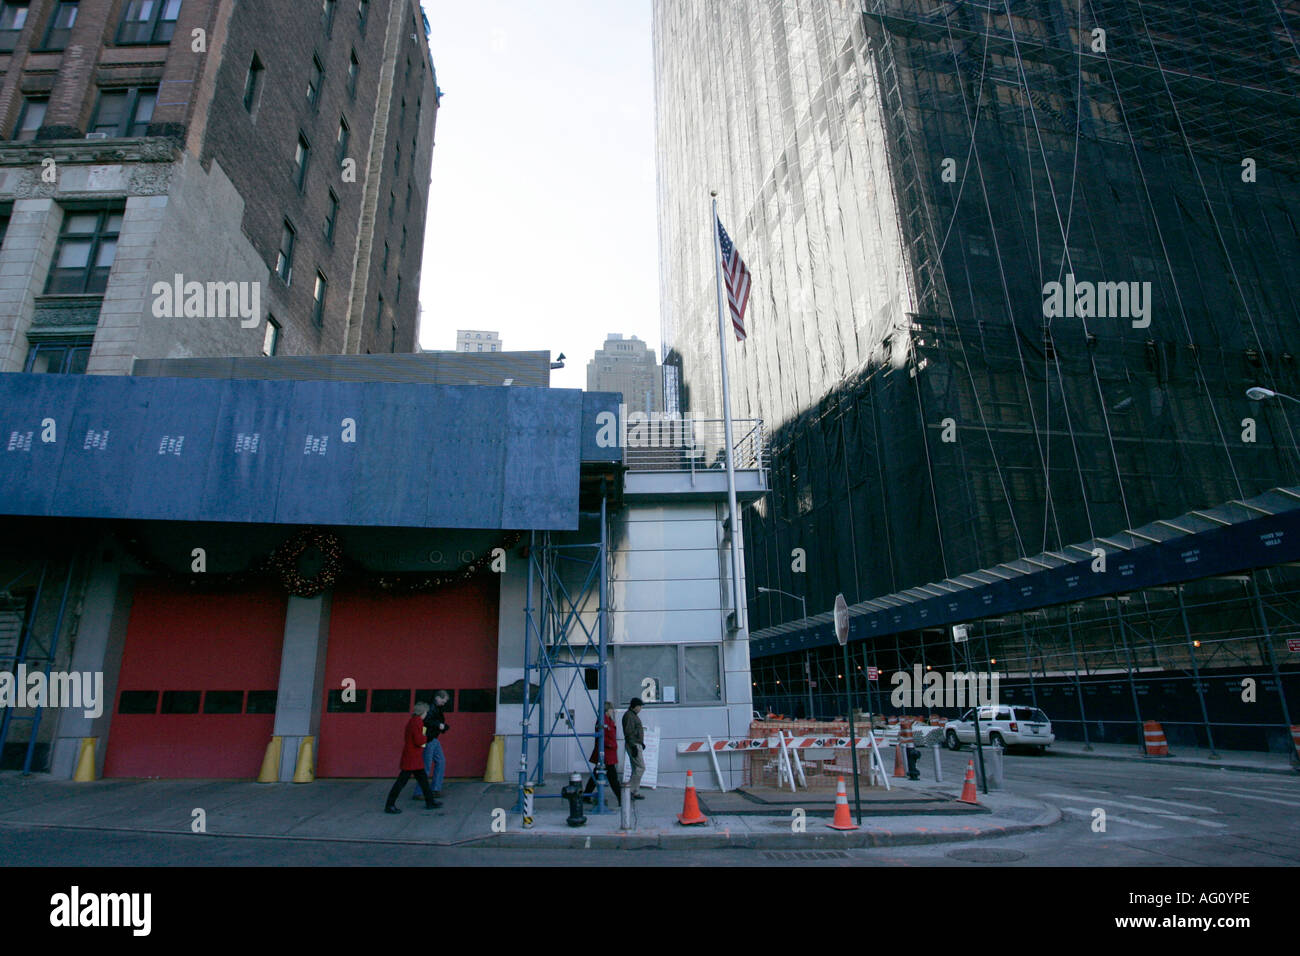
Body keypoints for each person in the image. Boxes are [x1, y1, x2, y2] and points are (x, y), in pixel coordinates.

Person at [385, 702, 441, 813]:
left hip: (413, 757)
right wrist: (426, 737)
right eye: (426, 712)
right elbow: (419, 740)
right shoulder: (417, 722)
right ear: (423, 712)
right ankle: (389, 805)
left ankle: (430, 802)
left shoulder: (414, 721)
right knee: (402, 782)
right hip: (412, 758)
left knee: (423, 780)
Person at [412, 690, 450, 799]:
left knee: (440, 762)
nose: (444, 703)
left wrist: (441, 726)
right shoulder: (431, 708)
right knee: (427, 766)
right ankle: (419, 792)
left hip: (433, 738)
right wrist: (440, 725)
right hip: (428, 739)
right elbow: (426, 721)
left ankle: (435, 789)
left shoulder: (436, 707)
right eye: (443, 701)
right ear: (438, 698)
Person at [584, 701, 622, 805]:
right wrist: (611, 744)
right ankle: (621, 799)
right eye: (611, 709)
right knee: (613, 778)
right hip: (606, 754)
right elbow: (602, 736)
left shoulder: (607, 720)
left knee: (597, 774)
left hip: (607, 753)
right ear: (607, 710)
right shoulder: (603, 721)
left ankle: (586, 795)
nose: (612, 711)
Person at [621, 697, 646, 800]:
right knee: (641, 767)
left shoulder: (632, 715)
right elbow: (629, 732)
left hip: (635, 743)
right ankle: (629, 790)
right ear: (635, 706)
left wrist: (640, 742)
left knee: (636, 769)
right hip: (633, 744)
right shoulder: (630, 716)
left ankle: (633, 791)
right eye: (639, 706)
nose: (640, 708)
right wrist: (633, 746)